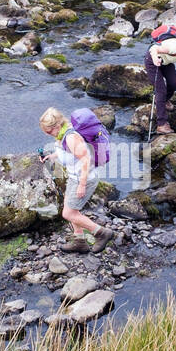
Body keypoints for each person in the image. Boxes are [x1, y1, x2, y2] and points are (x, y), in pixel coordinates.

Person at [39, 107, 116, 254]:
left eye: (48, 132)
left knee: (68, 214)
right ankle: (80, 242)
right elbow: (66, 152)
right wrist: (52, 156)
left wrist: (82, 185)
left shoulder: (71, 137)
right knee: (71, 209)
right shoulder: (62, 135)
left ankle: (102, 233)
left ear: (56, 126)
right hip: (74, 177)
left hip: (84, 179)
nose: (48, 135)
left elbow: (86, 159)